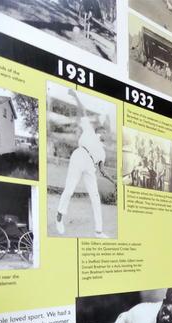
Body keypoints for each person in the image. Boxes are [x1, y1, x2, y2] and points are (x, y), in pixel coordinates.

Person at [55, 89, 113, 238]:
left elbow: (102, 170)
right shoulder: (90, 131)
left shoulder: (103, 152)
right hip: (80, 156)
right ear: (99, 130)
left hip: (90, 167)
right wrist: (75, 96)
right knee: (70, 189)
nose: (105, 132)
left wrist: (114, 180)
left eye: (106, 131)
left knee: (95, 196)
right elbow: (83, 111)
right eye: (103, 130)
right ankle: (60, 216)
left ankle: (98, 231)